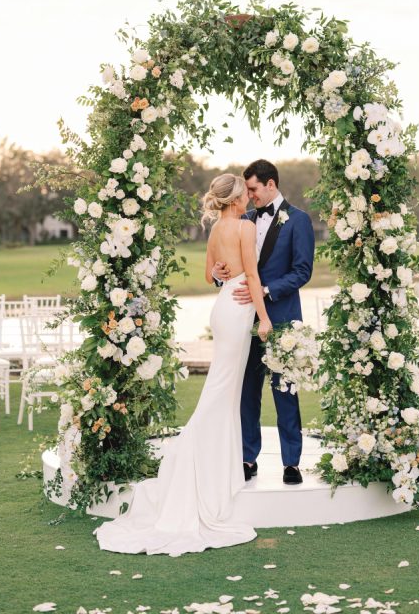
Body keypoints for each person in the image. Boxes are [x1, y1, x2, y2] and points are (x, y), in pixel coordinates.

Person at [95, 173, 272, 556]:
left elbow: (209, 273)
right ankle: (195, 456)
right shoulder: (244, 227)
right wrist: (265, 318)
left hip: (223, 307)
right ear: (235, 198)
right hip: (240, 310)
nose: (247, 196)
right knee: (223, 391)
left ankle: (216, 463)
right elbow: (254, 275)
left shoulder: (216, 231)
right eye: (244, 192)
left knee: (223, 390)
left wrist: (221, 274)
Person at [213, 159, 315, 486]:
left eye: (254, 189)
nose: (250, 195)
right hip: (243, 319)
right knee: (247, 391)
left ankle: (291, 462)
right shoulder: (243, 219)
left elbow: (302, 271)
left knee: (285, 389)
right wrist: (218, 276)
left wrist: (266, 291)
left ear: (270, 184)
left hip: (282, 319)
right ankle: (247, 457)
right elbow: (228, 268)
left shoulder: (299, 220)